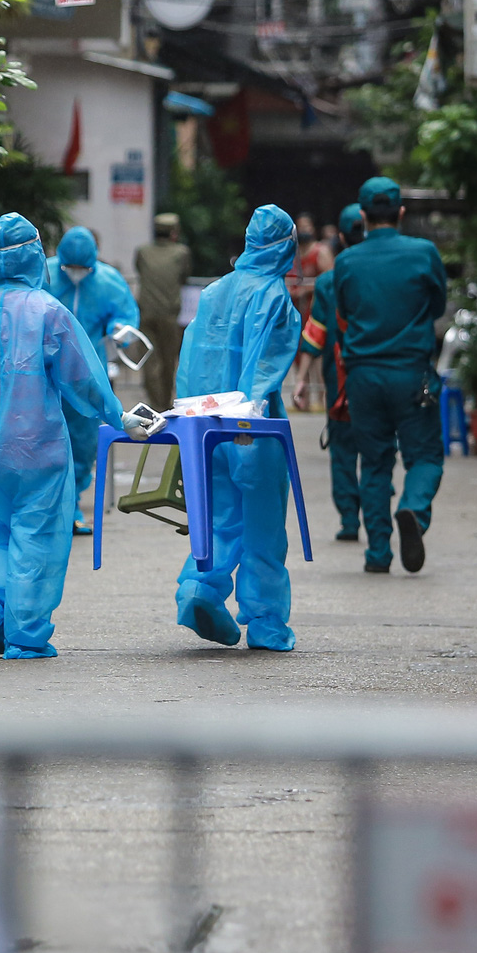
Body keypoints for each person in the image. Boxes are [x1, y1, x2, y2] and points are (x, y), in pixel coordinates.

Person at [0, 211, 140, 658]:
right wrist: (118, 417)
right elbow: (84, 380)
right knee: (36, 537)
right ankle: (25, 636)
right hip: (38, 450)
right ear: (37, 255)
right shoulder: (48, 311)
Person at [173, 204, 303, 651]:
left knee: (219, 518)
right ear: (285, 247)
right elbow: (265, 367)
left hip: (204, 426)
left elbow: (189, 362)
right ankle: (266, 624)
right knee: (263, 527)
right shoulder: (274, 298)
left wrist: (187, 424)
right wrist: (250, 418)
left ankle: (199, 590)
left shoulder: (213, 293)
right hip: (253, 427)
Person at [322, 178, 450, 572]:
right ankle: (412, 509)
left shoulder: (345, 261)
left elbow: (343, 312)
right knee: (425, 456)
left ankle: (378, 552)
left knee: (374, 463)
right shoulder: (424, 253)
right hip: (411, 373)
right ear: (401, 213)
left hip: (362, 377)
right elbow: (438, 303)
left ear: (362, 216)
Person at [44, 225, 141, 532]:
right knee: (43, 438)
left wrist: (121, 330)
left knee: (84, 441)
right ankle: (46, 506)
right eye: (69, 268)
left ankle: (71, 505)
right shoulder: (43, 274)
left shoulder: (109, 282)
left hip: (87, 371)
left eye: (82, 268)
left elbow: (125, 314)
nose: (75, 274)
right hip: (44, 370)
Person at [292, 203, 367, 541]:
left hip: (341, 382)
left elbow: (315, 332)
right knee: (378, 453)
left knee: (342, 451)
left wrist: (301, 378)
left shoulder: (327, 283)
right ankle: (381, 525)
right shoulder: (393, 274)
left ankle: (350, 520)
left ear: (338, 238)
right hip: (383, 377)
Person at [135, 211, 192, 411]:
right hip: (169, 315)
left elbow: (139, 270)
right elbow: (184, 276)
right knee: (169, 362)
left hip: (146, 313)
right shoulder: (181, 253)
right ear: (174, 233)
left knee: (149, 362)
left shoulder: (142, 251)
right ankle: (165, 404)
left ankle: (155, 404)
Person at [285, 209, 333, 325]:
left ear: (313, 228)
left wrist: (305, 290)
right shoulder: (290, 253)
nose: (303, 230)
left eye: (306, 226)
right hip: (293, 313)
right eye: (300, 226)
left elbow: (330, 281)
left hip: (314, 313)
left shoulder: (321, 251)